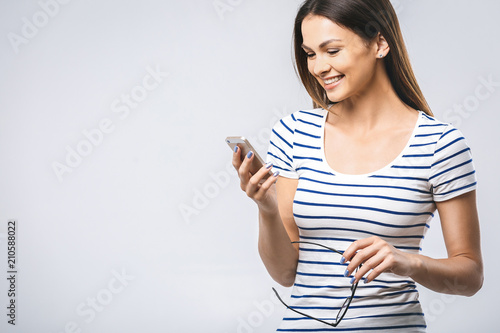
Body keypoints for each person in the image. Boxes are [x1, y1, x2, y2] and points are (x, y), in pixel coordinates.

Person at [231, 0, 483, 331]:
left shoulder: (439, 145)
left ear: (380, 43)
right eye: (310, 54)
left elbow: (470, 276)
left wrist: (408, 262)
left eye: (331, 51)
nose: (318, 67)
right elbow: (286, 273)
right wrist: (267, 207)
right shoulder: (294, 132)